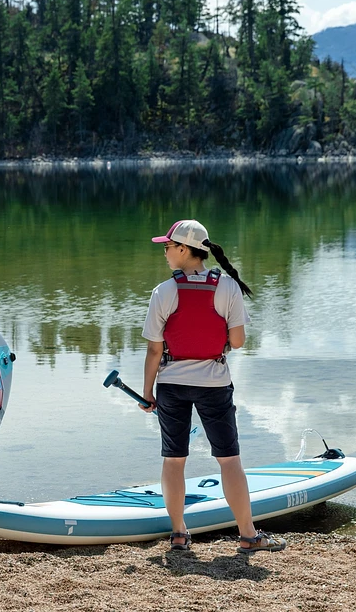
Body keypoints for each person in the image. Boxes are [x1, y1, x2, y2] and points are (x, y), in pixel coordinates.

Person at [140, 219, 286, 554]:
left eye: (167, 246)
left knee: (174, 460)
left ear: (183, 249)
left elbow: (154, 350)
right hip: (215, 384)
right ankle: (248, 536)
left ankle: (179, 534)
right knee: (229, 459)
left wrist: (148, 392)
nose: (164, 252)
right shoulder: (228, 288)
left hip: (172, 385)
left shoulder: (163, 292)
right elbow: (237, 341)